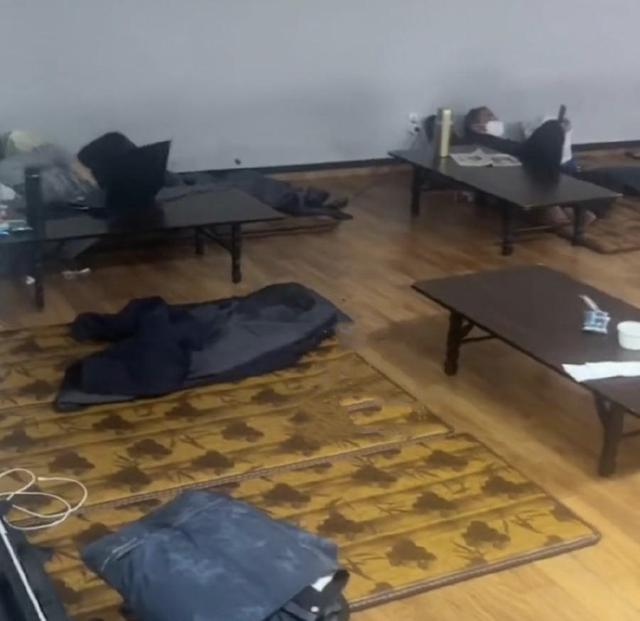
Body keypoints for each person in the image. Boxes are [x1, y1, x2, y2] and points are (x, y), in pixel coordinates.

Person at [464, 106, 594, 225]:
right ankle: (550, 207)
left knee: (552, 130)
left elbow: (521, 149)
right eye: (488, 116)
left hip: (529, 164)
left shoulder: (499, 139)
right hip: (517, 176)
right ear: (476, 127)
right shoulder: (475, 143)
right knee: (551, 129)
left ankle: (561, 205)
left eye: (494, 115)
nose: (495, 118)